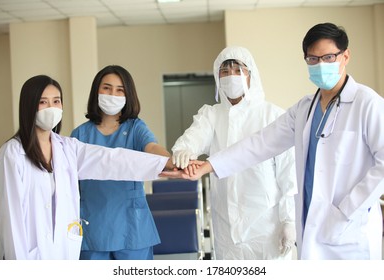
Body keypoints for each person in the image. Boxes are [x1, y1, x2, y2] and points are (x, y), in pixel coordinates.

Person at [162, 23, 384, 260]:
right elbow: (258, 145)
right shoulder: (304, 109)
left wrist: (347, 210)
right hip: (311, 223)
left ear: (345, 56)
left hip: (350, 229)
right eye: (312, 59)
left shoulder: (367, 103)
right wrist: (206, 166)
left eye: (328, 57)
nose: (320, 64)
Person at [0, 75, 171, 260]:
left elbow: (113, 160)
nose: (51, 108)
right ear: (29, 106)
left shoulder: (67, 147)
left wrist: (165, 164)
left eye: (56, 101)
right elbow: (12, 225)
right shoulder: (13, 153)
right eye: (43, 102)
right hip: (31, 257)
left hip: (64, 253)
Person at [171, 46, 297, 260]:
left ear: (251, 75)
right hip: (226, 227)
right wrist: (184, 148)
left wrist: (289, 220)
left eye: (238, 70)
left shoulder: (272, 115)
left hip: (266, 227)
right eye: (224, 71)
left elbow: (289, 173)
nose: (231, 76)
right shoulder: (212, 115)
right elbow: (194, 136)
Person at [70, 65, 172, 260]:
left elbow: (151, 148)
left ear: (128, 95)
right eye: (106, 88)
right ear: (96, 91)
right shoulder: (80, 134)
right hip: (93, 229)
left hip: (131, 228)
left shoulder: (135, 127)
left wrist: (171, 160)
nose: (112, 94)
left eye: (119, 90)